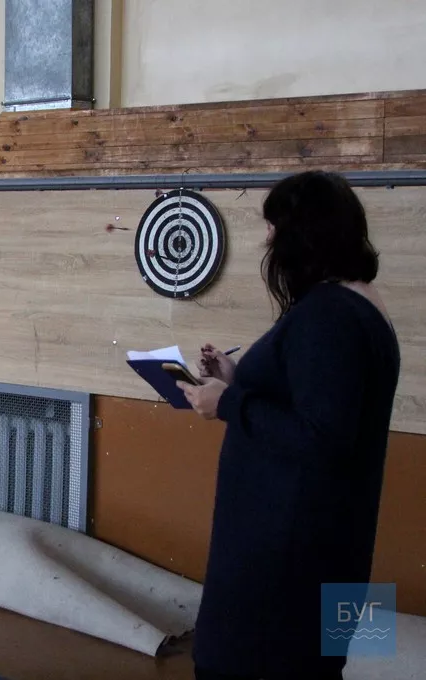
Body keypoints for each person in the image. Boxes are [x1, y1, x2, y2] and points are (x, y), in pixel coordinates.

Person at [177, 171, 401, 680]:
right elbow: (320, 404)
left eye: (275, 227)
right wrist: (238, 380)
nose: (268, 241)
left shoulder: (329, 315)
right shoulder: (362, 303)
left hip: (282, 563)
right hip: (329, 548)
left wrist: (230, 405)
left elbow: (322, 439)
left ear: (305, 234)